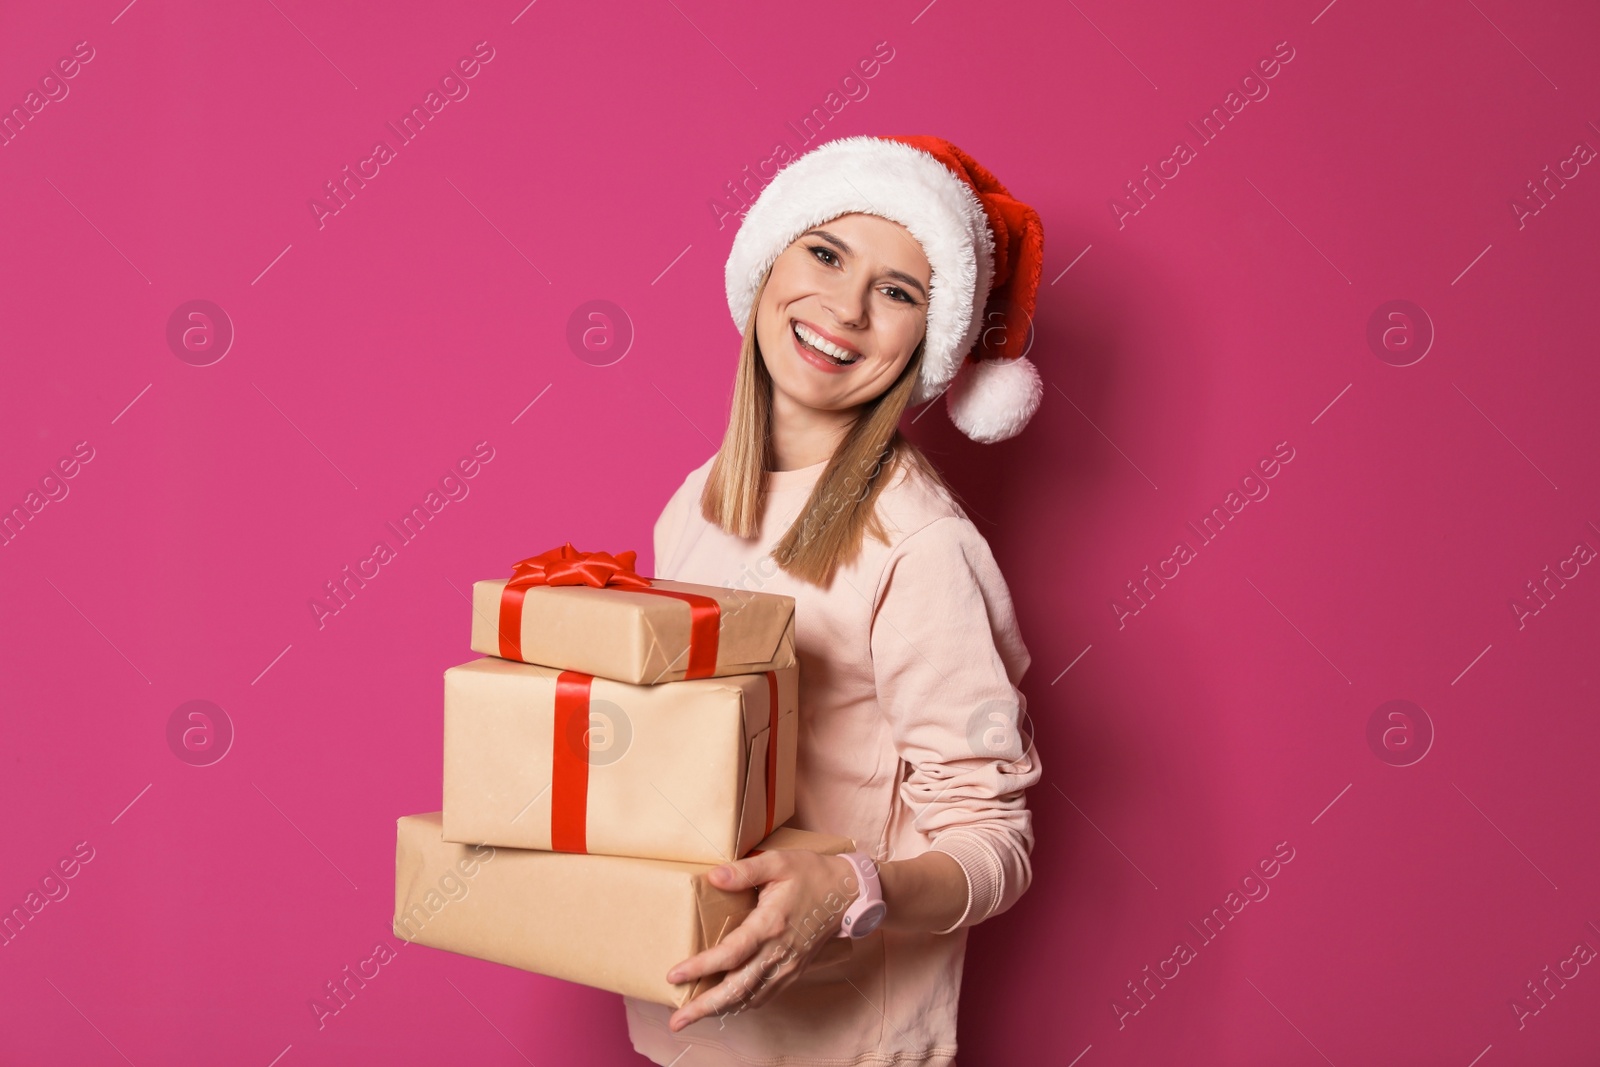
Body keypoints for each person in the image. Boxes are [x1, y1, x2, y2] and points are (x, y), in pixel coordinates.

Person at [625, 134, 1047, 1067]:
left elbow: (995, 842)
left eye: (899, 291)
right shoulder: (695, 501)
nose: (846, 307)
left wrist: (856, 885)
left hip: (842, 1045)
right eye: (826, 252)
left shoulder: (919, 543)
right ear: (768, 260)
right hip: (684, 1026)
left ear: (926, 342)